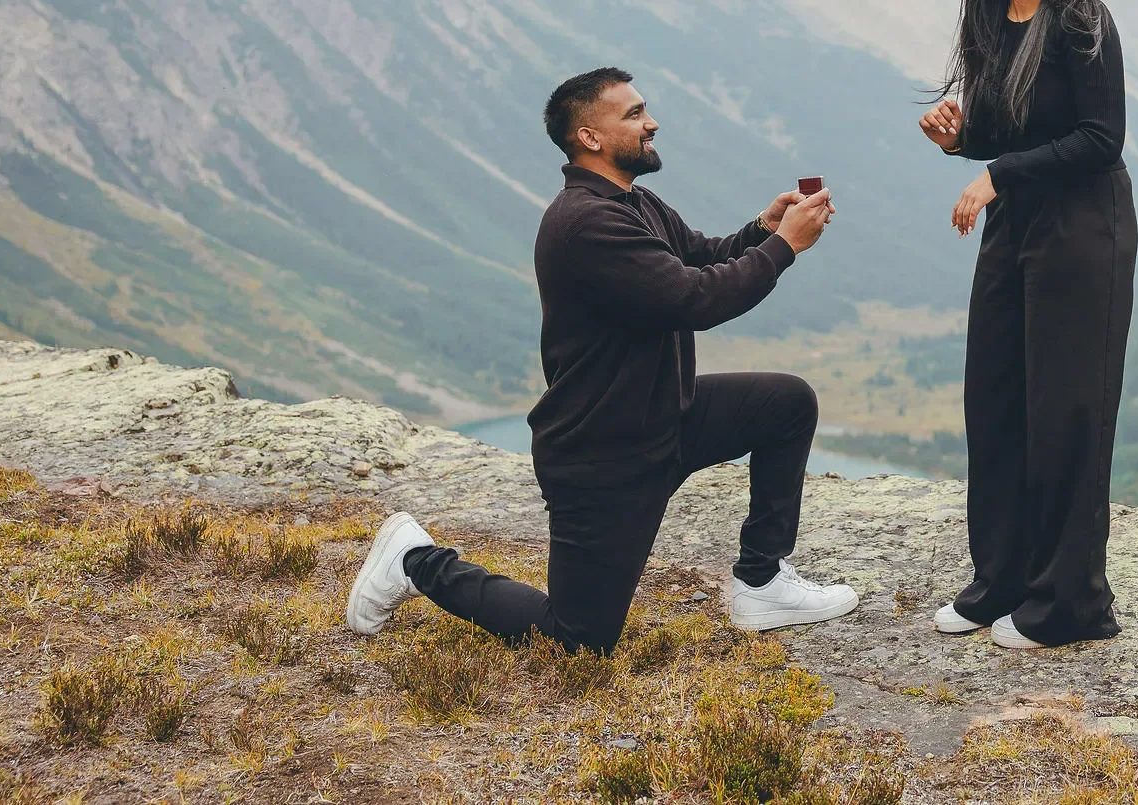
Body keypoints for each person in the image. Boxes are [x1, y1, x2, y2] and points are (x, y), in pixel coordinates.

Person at [345, 66, 857, 652]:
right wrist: (785, 245)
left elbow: (697, 257)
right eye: (634, 113)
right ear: (589, 136)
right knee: (577, 640)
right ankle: (414, 559)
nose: (652, 121)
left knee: (786, 403)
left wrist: (761, 229)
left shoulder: (632, 203)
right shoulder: (584, 222)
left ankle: (762, 580)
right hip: (604, 451)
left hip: (667, 417)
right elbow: (692, 298)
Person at [916, 0, 1137, 650]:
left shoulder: (1083, 20)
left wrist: (995, 175)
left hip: (1083, 231)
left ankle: (1068, 603)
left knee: (1066, 412)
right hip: (1016, 230)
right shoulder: (994, 19)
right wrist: (958, 137)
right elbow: (1010, 128)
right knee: (999, 398)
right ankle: (1001, 580)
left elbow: (1099, 137)